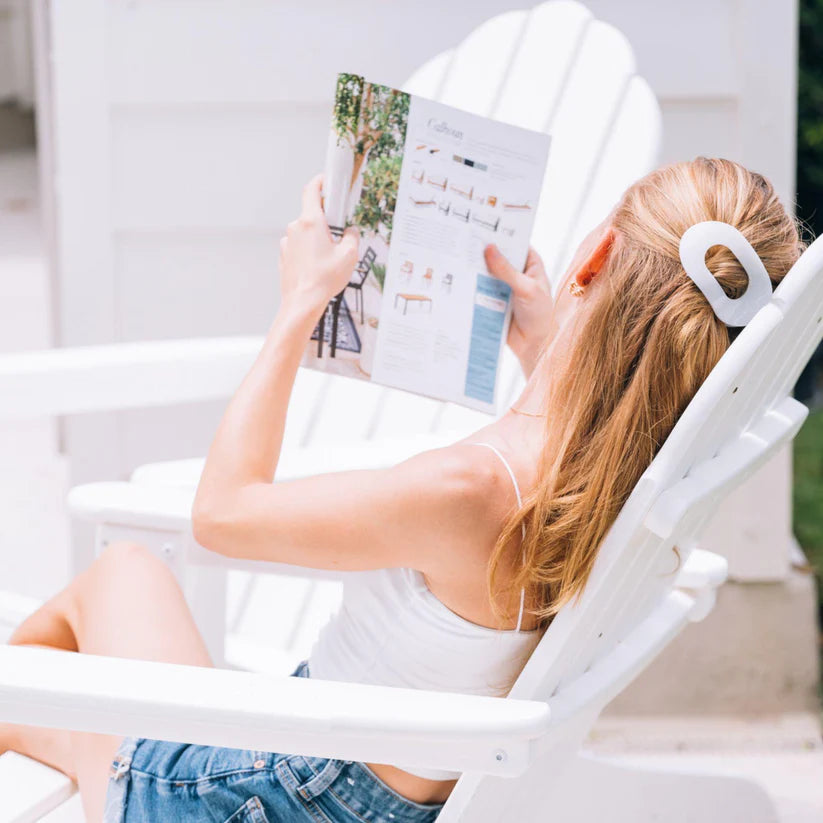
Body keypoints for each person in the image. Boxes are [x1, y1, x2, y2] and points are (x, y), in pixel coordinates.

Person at [0, 158, 803, 822]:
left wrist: (298, 303)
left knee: (110, 585)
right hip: (360, 789)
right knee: (123, 589)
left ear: (591, 257)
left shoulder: (472, 488)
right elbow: (584, 449)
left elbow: (222, 513)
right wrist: (547, 352)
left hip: (255, 799)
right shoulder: (634, 486)